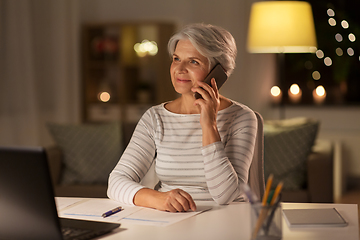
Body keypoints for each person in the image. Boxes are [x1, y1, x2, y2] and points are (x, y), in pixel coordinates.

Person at [107, 23, 258, 213]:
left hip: (223, 220)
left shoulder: (241, 117)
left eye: (193, 61)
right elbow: (116, 182)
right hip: (170, 219)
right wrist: (158, 199)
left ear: (219, 72)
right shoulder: (155, 117)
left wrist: (209, 125)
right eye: (176, 59)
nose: (179, 69)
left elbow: (225, 196)